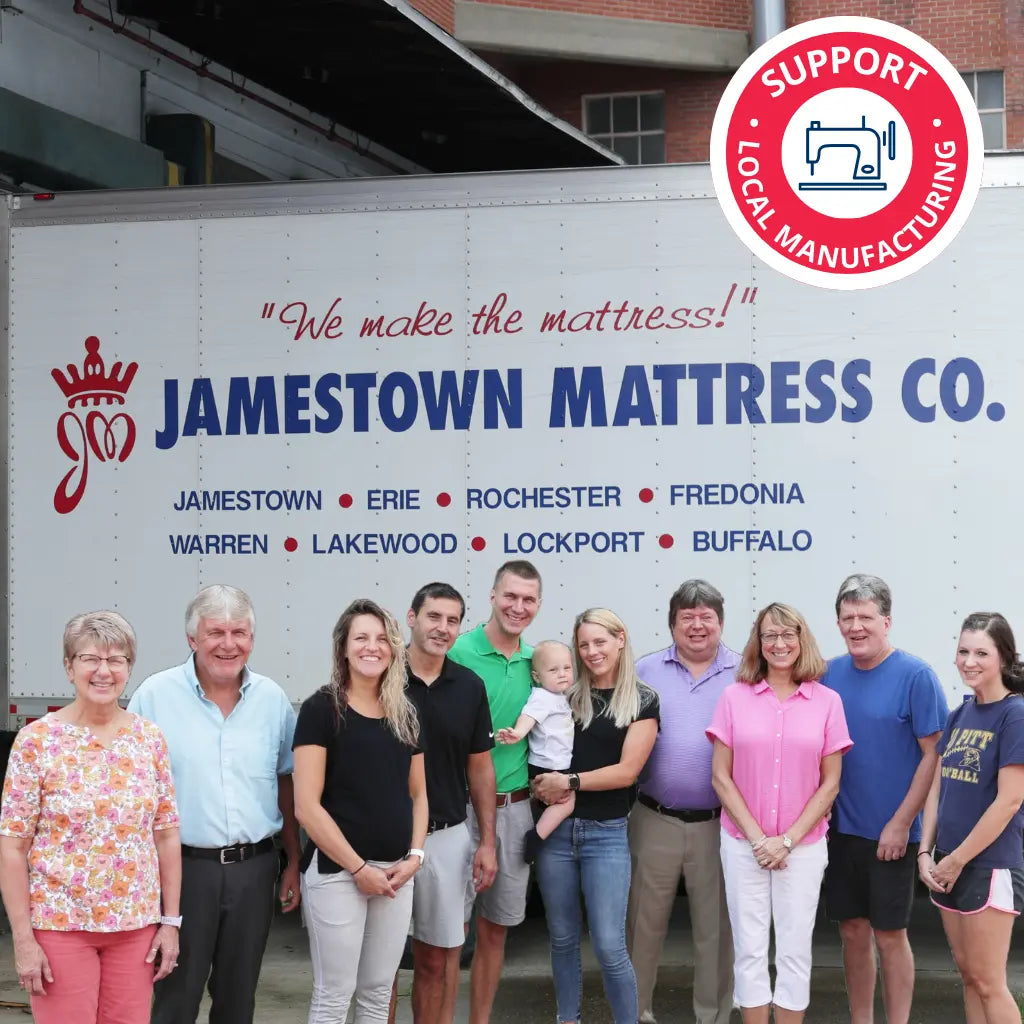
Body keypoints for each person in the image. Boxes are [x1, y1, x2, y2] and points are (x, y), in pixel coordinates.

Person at [128, 584, 301, 1024]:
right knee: (175, 997)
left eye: (239, 632)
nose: (228, 644)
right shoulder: (155, 696)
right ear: (192, 639)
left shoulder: (272, 700)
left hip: (254, 870)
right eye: (216, 632)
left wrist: (294, 862)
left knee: (238, 999)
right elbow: (134, 792)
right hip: (183, 872)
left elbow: (286, 783)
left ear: (252, 639)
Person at [0, 611, 181, 1024]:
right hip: (60, 927)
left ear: (129, 669)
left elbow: (167, 835)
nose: (104, 671)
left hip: (136, 929)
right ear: (69, 667)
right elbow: (12, 846)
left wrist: (170, 922)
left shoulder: (148, 739)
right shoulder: (37, 741)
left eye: (116, 660)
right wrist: (24, 940)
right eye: (89, 659)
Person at [707, 602, 852, 1024]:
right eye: (769, 635)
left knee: (793, 948)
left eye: (788, 634)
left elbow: (831, 783)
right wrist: (759, 840)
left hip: (802, 848)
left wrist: (786, 840)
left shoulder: (827, 701)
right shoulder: (734, 698)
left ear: (802, 640)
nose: (779, 643)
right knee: (749, 948)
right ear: (759, 643)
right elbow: (721, 776)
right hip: (742, 845)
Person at [821, 573, 948, 1024]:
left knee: (890, 934)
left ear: (887, 621)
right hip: (840, 832)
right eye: (847, 617)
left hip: (892, 834)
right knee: (852, 932)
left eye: (866, 617)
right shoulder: (828, 673)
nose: (856, 626)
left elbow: (933, 755)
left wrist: (902, 823)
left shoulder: (916, 675)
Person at [293, 598, 427, 1023]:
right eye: (361, 638)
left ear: (394, 648)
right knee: (335, 994)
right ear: (344, 648)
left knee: (376, 993)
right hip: (338, 875)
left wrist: (415, 858)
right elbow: (306, 807)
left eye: (382, 638)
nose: (373, 647)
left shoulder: (405, 714)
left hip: (395, 874)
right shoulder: (321, 709)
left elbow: (419, 796)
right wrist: (357, 869)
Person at [533, 608, 660, 1024]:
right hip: (556, 833)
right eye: (583, 645)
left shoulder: (642, 700)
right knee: (563, 938)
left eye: (600, 642)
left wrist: (568, 782)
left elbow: (627, 772)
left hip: (606, 834)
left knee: (608, 944)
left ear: (620, 639)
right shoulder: (565, 696)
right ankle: (566, 1018)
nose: (591, 652)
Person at [627, 579, 739, 1024]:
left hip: (721, 821)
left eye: (706, 617)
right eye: (686, 617)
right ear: (672, 623)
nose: (697, 626)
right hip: (654, 816)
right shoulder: (645, 670)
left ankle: (711, 1014)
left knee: (715, 928)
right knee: (642, 924)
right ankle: (635, 1010)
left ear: (721, 622)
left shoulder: (745, 671)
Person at [448, 559, 541, 1024]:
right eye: (510, 596)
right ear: (492, 595)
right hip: (457, 812)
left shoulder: (537, 663)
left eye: (528, 600)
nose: (517, 607)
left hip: (516, 809)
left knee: (496, 930)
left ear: (538, 605)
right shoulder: (459, 651)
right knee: (445, 933)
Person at [919, 612, 1024, 1024]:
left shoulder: (1014, 714)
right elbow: (937, 788)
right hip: (945, 862)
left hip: (987, 866)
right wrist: (925, 852)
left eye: (982, 652)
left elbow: (1010, 801)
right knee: (967, 977)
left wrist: (957, 859)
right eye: (963, 651)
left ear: (1004, 658)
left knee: (989, 983)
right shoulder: (959, 714)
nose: (969, 661)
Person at [402, 583, 497, 1024]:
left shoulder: (469, 686)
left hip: (446, 837)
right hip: (383, 839)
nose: (442, 628)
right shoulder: (380, 676)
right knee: (379, 970)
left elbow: (480, 769)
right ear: (411, 617)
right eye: (433, 616)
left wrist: (487, 842)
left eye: (452, 620)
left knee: (437, 962)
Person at [497, 639, 575, 864]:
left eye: (567, 668)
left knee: (558, 801)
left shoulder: (560, 697)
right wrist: (518, 733)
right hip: (549, 763)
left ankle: (537, 833)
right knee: (567, 802)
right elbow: (529, 716)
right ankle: (536, 836)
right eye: (553, 670)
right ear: (537, 677)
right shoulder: (542, 697)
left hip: (556, 761)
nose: (562, 674)